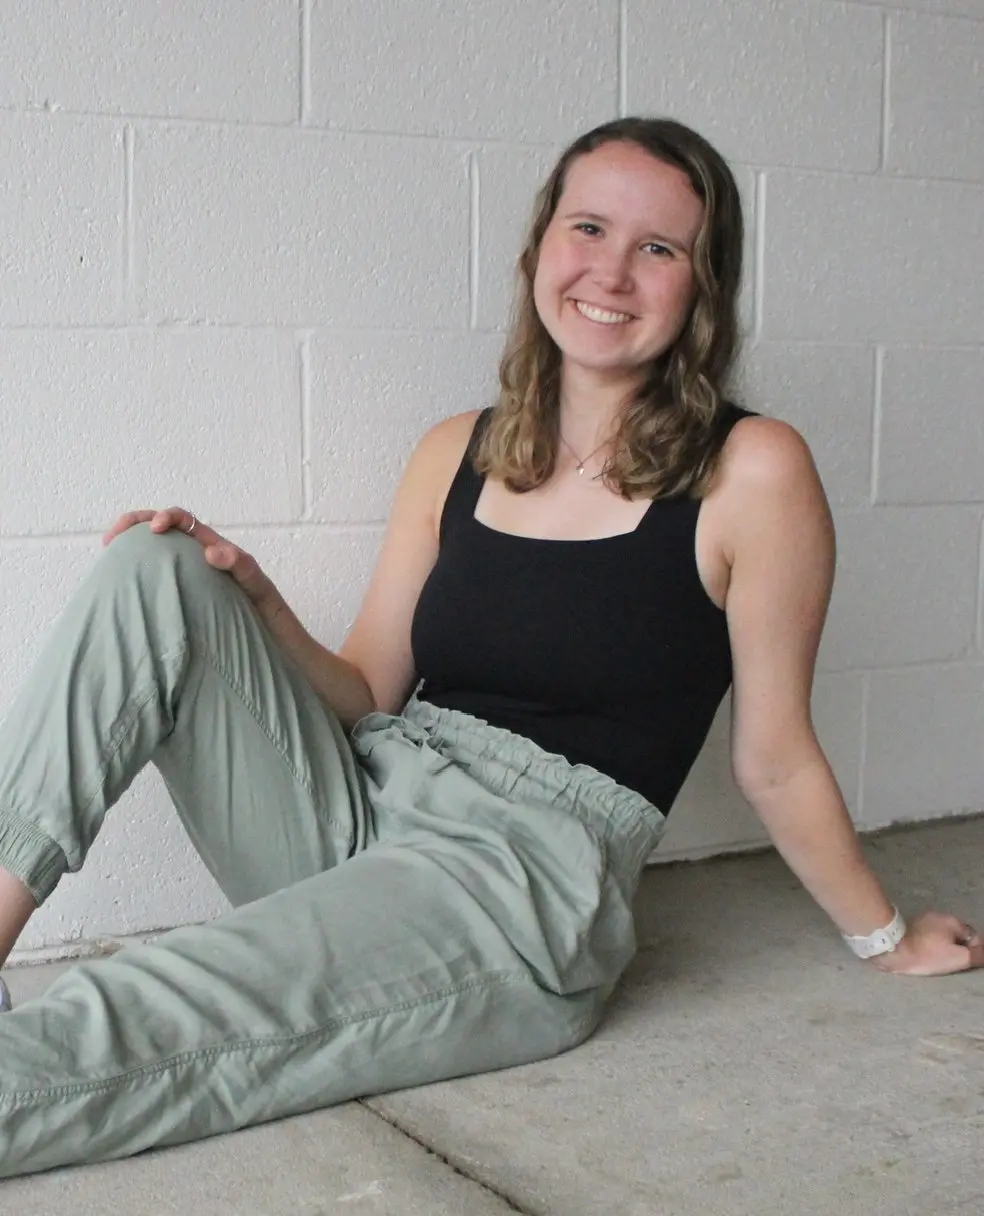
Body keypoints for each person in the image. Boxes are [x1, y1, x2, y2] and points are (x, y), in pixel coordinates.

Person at [0, 116, 980, 1180]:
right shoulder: (458, 449)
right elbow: (366, 687)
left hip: (514, 882)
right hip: (369, 798)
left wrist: (885, 935)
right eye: (588, 227)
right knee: (158, 566)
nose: (612, 270)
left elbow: (775, 755)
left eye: (659, 248)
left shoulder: (753, 470)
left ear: (704, 285)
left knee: (158, 1000)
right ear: (537, 252)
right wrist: (259, 602)